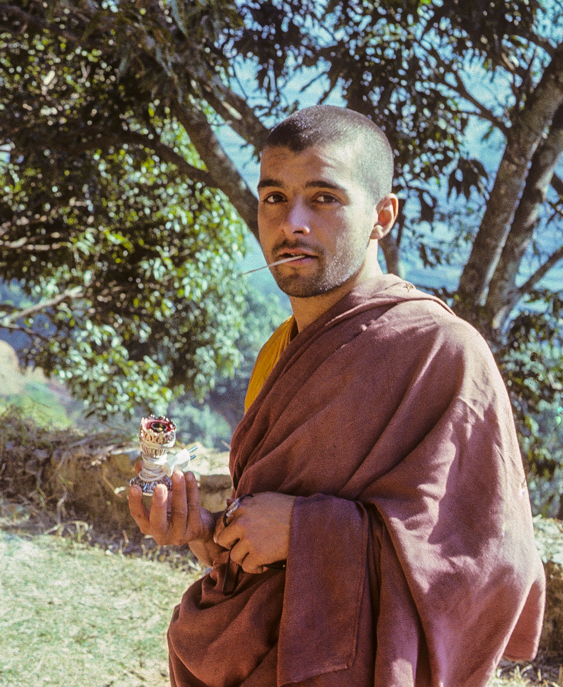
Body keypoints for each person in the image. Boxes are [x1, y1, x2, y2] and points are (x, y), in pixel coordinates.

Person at [128, 105, 545, 686]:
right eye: (274, 198)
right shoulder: (279, 352)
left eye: (323, 198)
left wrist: (306, 530)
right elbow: (267, 552)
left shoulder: (442, 352)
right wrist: (206, 531)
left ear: (382, 216)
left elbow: (489, 567)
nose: (291, 223)